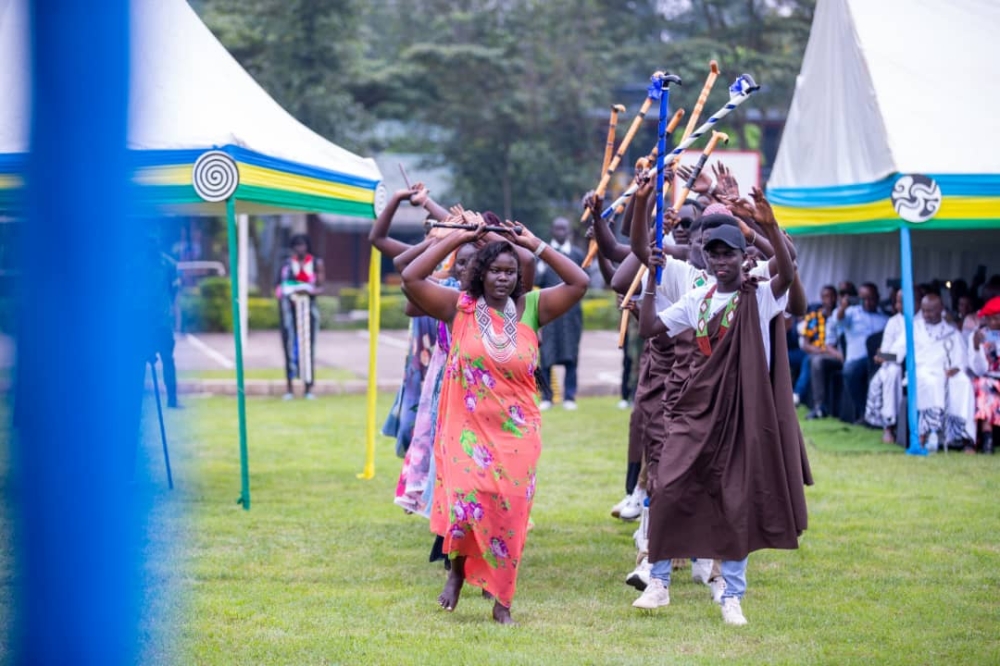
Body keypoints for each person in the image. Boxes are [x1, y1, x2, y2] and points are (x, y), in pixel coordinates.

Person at [401, 211, 588, 625]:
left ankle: (502, 601)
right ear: (480, 274)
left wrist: (536, 243)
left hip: (518, 432)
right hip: (466, 430)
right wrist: (459, 238)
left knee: (512, 512)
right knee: (468, 501)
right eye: (495, 271)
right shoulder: (458, 308)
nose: (503, 278)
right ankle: (456, 571)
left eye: (510, 271)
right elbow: (410, 280)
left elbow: (580, 283)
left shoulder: (532, 309)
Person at [635, 189, 811, 626]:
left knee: (736, 500)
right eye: (713, 254)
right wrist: (652, 281)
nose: (720, 261)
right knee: (669, 486)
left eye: (728, 254)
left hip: (745, 413)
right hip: (697, 410)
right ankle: (658, 582)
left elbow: (788, 272)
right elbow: (652, 329)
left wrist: (767, 226)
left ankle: (732, 594)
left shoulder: (762, 294)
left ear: (742, 256)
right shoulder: (698, 298)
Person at [912, 293, 976, 451]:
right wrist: (883, 356)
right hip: (922, 372)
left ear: (941, 309)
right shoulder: (914, 327)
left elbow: (962, 358)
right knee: (932, 382)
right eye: (924, 310)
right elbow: (898, 351)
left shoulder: (951, 331)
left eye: (931, 311)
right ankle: (927, 434)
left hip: (945, 372)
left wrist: (956, 368)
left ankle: (964, 437)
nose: (926, 314)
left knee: (964, 382)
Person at [536, 216, 585, 410]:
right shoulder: (542, 254)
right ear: (552, 231)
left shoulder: (577, 254)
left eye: (564, 229)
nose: (560, 233)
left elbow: (584, 281)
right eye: (557, 229)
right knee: (546, 355)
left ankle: (570, 397)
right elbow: (537, 279)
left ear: (569, 232)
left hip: (571, 314)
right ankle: (546, 397)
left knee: (571, 355)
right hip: (548, 312)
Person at [275, 233, 323, 400]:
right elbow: (279, 286)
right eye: (296, 245)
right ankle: (289, 388)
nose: (299, 249)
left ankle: (308, 387)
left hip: (308, 312)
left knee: (308, 348)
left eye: (302, 245)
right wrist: (290, 292)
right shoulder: (287, 265)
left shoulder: (316, 263)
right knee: (288, 347)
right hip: (289, 312)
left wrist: (307, 290)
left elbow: (321, 287)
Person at [831, 282, 888, 422]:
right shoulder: (852, 312)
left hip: (880, 356)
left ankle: (887, 418)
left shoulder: (886, 318)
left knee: (896, 363)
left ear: (878, 298)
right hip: (858, 358)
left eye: (871, 298)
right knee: (850, 371)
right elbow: (838, 321)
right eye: (864, 299)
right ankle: (864, 414)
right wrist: (843, 307)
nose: (868, 302)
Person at [864, 290, 906, 442]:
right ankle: (889, 427)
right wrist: (892, 358)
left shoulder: (923, 321)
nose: (897, 305)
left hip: (923, 366)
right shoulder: (893, 322)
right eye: (897, 301)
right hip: (897, 366)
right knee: (892, 372)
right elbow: (883, 355)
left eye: (901, 301)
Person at [796, 285, 837, 408]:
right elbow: (806, 344)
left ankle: (799, 394)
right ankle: (798, 395)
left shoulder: (840, 315)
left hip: (835, 354)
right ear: (821, 298)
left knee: (810, 360)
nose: (829, 300)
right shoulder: (814, 317)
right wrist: (820, 350)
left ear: (836, 298)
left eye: (832, 296)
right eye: (825, 297)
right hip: (817, 351)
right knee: (809, 359)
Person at [970, 296, 1000, 454]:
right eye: (992, 319)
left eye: (998, 319)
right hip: (987, 378)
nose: (994, 323)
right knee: (985, 386)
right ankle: (987, 437)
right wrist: (976, 348)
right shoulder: (979, 336)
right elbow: (978, 369)